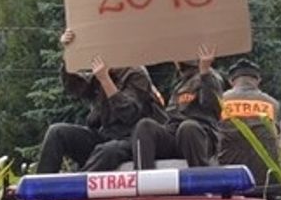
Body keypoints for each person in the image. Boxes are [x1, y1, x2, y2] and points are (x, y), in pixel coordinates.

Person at [34, 29, 166, 173]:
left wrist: (105, 80)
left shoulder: (136, 74)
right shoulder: (104, 71)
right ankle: (40, 188)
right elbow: (75, 87)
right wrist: (69, 52)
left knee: (107, 151)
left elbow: (129, 114)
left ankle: (78, 186)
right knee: (57, 132)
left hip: (131, 139)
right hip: (105, 135)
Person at [130, 45, 223, 169]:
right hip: (175, 135)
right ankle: (144, 179)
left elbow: (213, 108)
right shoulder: (180, 82)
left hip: (199, 136)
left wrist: (205, 73)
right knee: (145, 126)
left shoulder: (210, 78)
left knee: (188, 128)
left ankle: (201, 182)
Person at [218, 59, 281, 185]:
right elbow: (276, 138)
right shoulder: (273, 104)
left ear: (231, 81)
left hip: (229, 178)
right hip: (267, 180)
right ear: (258, 80)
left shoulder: (220, 100)